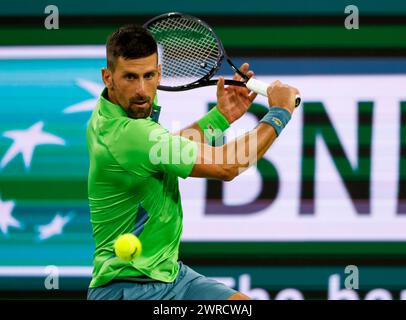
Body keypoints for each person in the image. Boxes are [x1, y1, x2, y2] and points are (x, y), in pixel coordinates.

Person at [86, 25, 300, 300]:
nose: (141, 90)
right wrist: (279, 113)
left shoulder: (116, 110)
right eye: (130, 77)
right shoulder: (126, 134)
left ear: (159, 73)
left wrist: (220, 118)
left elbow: (163, 152)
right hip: (126, 287)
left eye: (148, 75)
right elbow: (228, 166)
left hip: (170, 275)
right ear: (108, 77)